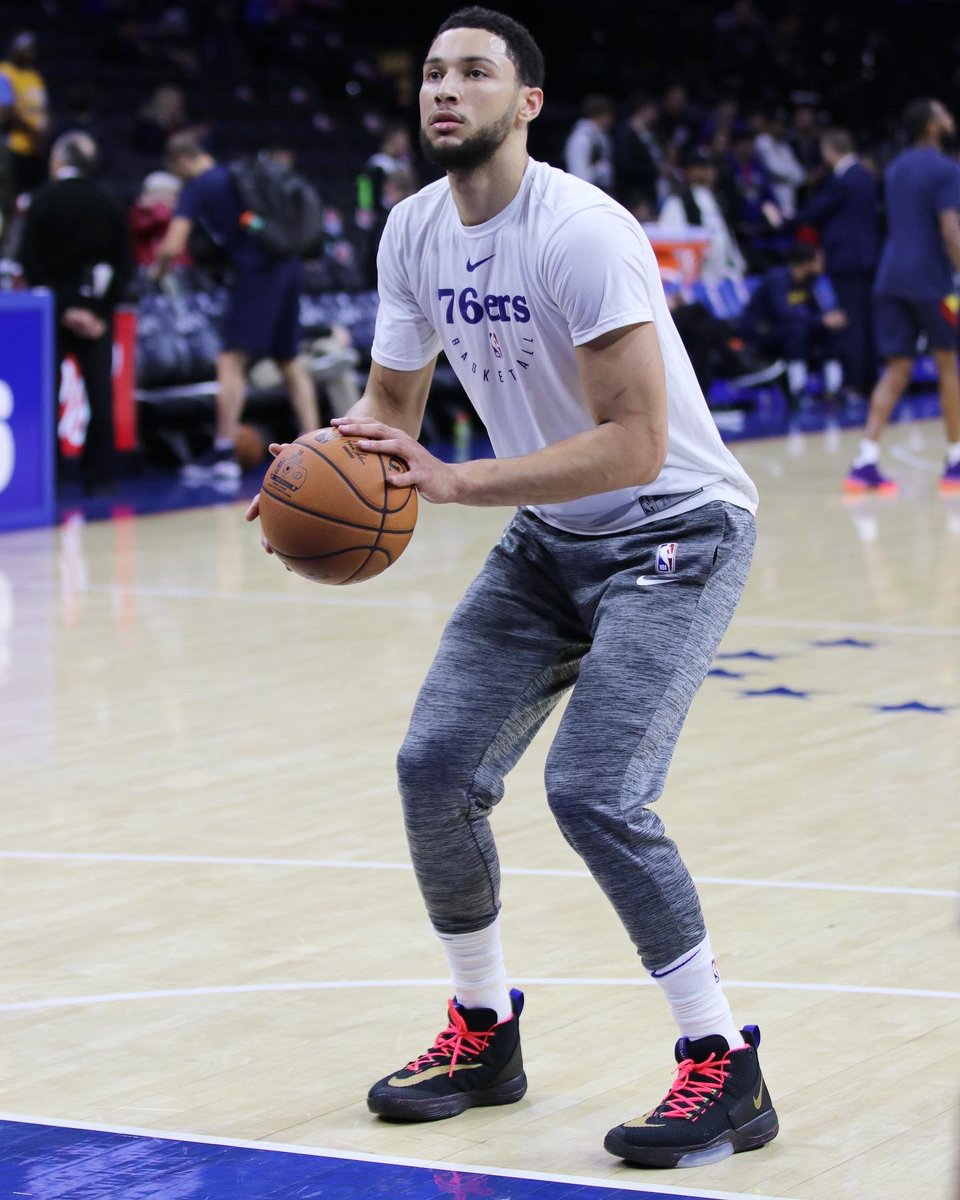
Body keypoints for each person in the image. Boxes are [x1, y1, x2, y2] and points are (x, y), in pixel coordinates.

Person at [247, 5, 778, 1170]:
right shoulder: (412, 231)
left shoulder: (580, 231)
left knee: (595, 791)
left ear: (527, 103)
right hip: (549, 539)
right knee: (434, 769)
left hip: (672, 530)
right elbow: (388, 415)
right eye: (433, 72)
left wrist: (458, 479)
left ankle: (724, 1060)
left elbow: (637, 443)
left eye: (475, 72)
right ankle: (483, 1035)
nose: (446, 88)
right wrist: (308, 468)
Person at [154, 134, 319, 483]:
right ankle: (316, 445)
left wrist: (156, 272)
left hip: (259, 272)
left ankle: (223, 451)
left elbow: (172, 244)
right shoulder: (235, 174)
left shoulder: (198, 186)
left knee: (230, 359)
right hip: (287, 266)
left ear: (181, 161)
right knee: (288, 359)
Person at [845, 98, 960, 495]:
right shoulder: (946, 169)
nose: (949, 117)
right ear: (931, 126)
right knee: (948, 363)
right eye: (942, 112)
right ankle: (956, 461)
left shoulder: (894, 169)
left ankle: (864, 461)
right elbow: (949, 230)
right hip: (932, 280)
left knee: (896, 369)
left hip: (890, 277)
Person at [18, 132, 132, 495]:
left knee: (46, 394)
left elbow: (29, 262)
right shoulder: (110, 201)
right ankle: (100, 479)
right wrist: (97, 311)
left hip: (51, 315)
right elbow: (125, 265)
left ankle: (47, 479)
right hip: (98, 319)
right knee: (100, 396)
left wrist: (65, 307)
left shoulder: (40, 200)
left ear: (57, 160)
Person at [796, 128, 881, 397]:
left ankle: (856, 383)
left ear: (831, 150)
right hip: (869, 258)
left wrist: (785, 220)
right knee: (867, 321)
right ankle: (870, 379)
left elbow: (813, 213)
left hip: (847, 261)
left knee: (851, 323)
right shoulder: (867, 175)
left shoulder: (842, 180)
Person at [739, 243, 846, 406]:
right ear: (806, 264)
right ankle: (797, 392)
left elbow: (813, 311)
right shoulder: (778, 279)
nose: (823, 263)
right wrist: (821, 320)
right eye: (818, 260)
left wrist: (829, 318)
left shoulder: (809, 281)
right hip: (760, 330)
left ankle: (834, 389)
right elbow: (783, 314)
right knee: (796, 331)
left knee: (829, 330)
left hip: (789, 328)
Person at [657, 145, 748, 286]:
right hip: (694, 278)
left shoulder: (718, 199)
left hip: (722, 274)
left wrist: (737, 263)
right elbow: (669, 241)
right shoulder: (677, 201)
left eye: (711, 168)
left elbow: (727, 236)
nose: (709, 172)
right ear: (690, 171)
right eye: (703, 168)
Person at [0, 31, 50, 199]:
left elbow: (42, 109)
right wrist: (33, 131)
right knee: (10, 195)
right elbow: (6, 111)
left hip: (36, 148)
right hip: (13, 147)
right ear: (14, 50)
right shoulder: (4, 72)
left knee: (31, 198)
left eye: (32, 49)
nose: (30, 53)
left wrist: (43, 133)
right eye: (25, 49)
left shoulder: (35, 77)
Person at [563, 93, 615, 191]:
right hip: (586, 192)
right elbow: (578, 174)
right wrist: (598, 171)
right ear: (600, 115)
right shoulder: (580, 139)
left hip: (602, 191)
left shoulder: (602, 137)